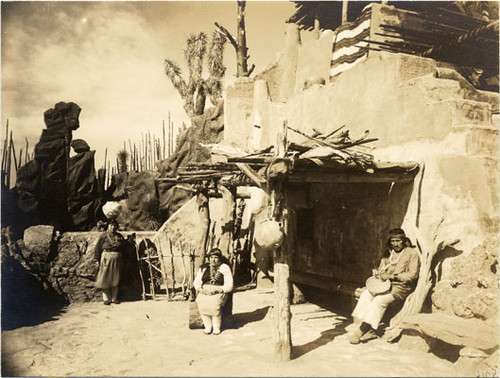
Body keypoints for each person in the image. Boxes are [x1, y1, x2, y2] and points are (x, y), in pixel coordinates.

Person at [349, 228, 420, 344]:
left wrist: (391, 276)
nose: (395, 244)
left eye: (398, 241)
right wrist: (378, 273)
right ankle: (369, 328)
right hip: (383, 285)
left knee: (379, 300)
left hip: (400, 288)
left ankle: (361, 331)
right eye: (393, 241)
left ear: (403, 240)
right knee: (366, 295)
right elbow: (382, 269)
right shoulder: (388, 253)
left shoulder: (411, 253)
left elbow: (413, 275)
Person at [193, 248, 234, 335]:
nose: (213, 260)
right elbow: (197, 282)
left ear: (220, 258)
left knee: (214, 306)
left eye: (215, 257)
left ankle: (216, 328)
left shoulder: (225, 268)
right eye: (211, 257)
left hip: (219, 290)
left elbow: (229, 284)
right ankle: (208, 327)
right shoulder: (203, 268)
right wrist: (202, 290)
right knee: (202, 304)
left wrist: (218, 290)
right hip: (205, 290)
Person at [93, 219, 126, 305]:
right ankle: (106, 299)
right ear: (108, 226)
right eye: (111, 225)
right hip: (106, 257)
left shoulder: (119, 236)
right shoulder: (103, 236)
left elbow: (123, 248)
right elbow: (97, 248)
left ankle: (114, 298)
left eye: (115, 225)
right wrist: (97, 260)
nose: (113, 227)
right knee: (105, 277)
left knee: (116, 278)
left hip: (117, 258)